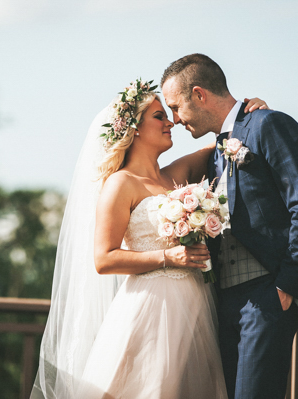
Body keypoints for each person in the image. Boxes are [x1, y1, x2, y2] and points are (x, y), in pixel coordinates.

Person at [31, 78, 268, 398]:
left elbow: (226, 139)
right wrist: (168, 257)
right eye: (159, 116)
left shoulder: (176, 174)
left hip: (195, 306)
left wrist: (250, 112)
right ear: (135, 128)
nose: (171, 122)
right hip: (150, 307)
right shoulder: (120, 184)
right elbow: (104, 259)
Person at [161, 53, 298, 399]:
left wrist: (287, 285)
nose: (175, 119)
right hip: (222, 302)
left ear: (199, 94)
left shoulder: (268, 125)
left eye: (175, 107)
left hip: (267, 293)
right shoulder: (215, 149)